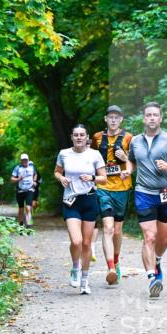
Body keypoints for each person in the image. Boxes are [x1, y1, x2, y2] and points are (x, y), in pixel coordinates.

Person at [125, 102, 167, 298]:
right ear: (143, 118)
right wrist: (128, 171)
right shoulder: (135, 141)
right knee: (150, 236)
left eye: (155, 115)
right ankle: (152, 277)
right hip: (143, 193)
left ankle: (158, 261)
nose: (152, 118)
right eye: (148, 115)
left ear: (160, 118)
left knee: (162, 240)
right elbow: (132, 160)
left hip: (166, 193)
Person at [54, 125, 108, 295]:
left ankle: (85, 280)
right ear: (72, 137)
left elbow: (104, 179)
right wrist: (61, 178)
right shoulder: (64, 153)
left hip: (89, 200)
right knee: (76, 241)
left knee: (86, 243)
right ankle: (75, 267)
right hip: (71, 201)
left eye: (82, 135)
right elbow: (56, 172)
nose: (79, 137)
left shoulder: (94, 154)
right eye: (76, 135)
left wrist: (92, 177)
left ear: (87, 137)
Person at [92, 105, 134, 285]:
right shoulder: (96, 137)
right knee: (107, 228)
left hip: (122, 188)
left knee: (117, 230)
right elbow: (89, 157)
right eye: (111, 117)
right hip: (102, 187)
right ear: (105, 119)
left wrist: (125, 161)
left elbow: (135, 161)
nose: (114, 120)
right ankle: (110, 268)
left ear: (121, 120)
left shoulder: (129, 138)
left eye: (117, 117)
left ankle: (116, 261)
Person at [10, 153, 37, 227]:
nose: (24, 161)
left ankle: (29, 224)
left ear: (28, 160)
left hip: (29, 190)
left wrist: (34, 181)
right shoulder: (17, 168)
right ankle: (21, 225)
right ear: (21, 161)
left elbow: (35, 174)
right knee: (21, 209)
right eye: (23, 160)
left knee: (28, 208)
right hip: (20, 191)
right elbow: (11, 179)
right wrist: (18, 179)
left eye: (26, 160)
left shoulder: (32, 167)